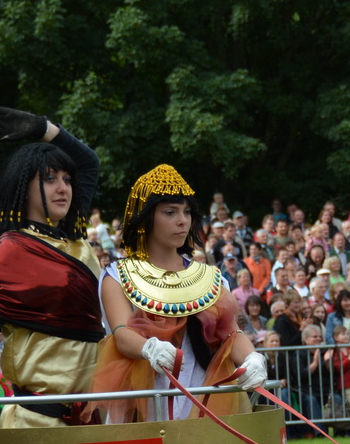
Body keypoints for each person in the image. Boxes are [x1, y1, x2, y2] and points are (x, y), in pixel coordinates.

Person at [0, 107, 109, 428]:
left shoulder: (73, 234)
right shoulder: (12, 249)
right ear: (24, 186)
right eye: (50, 178)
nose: (63, 188)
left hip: (95, 416)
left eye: (67, 179)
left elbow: (88, 162)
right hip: (37, 422)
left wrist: (43, 128)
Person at [89, 163, 268, 422]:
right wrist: (149, 348)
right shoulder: (117, 275)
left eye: (186, 211)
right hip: (141, 405)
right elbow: (120, 334)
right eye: (170, 212)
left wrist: (252, 358)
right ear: (146, 216)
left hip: (202, 400)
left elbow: (231, 334)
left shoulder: (209, 277)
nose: (182, 220)